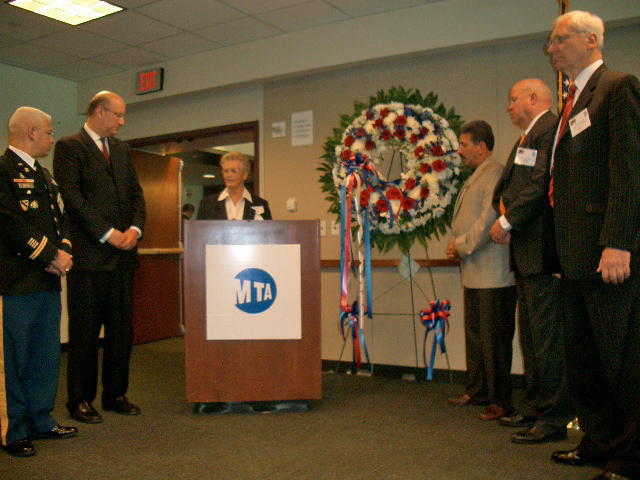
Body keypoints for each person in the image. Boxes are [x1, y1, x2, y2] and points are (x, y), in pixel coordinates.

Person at [545, 11, 640, 480]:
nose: (552, 48)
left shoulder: (618, 87)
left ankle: (630, 455)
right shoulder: (572, 100)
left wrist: (618, 242)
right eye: (551, 41)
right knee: (583, 359)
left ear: (591, 39)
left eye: (560, 39)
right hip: (574, 254)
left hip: (607, 254)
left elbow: (629, 171)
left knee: (621, 360)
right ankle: (599, 441)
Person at [53, 91, 146, 424]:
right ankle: (79, 400)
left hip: (123, 259)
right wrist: (108, 233)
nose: (122, 122)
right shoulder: (69, 147)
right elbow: (73, 197)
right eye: (118, 115)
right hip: (91, 259)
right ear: (99, 111)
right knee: (85, 334)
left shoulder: (121, 149)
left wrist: (135, 229)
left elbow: (136, 193)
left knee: (121, 332)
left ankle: (115, 394)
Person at [489, 79, 572, 444]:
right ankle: (537, 407)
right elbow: (506, 189)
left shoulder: (549, 129)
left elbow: (541, 185)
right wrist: (505, 215)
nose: (508, 107)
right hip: (524, 251)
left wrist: (508, 221)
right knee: (531, 338)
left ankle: (554, 418)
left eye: (512, 99)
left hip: (541, 252)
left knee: (546, 341)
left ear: (534, 98)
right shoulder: (526, 136)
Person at [0, 107, 77, 457]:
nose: (50, 137)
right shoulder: (2, 171)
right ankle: (14, 430)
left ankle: (40, 420)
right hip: (17, 284)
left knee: (45, 357)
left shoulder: (44, 176)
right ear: (31, 132)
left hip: (48, 282)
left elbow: (62, 221)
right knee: (15, 360)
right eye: (47, 132)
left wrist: (63, 249)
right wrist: (50, 256)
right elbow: (10, 225)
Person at [446, 120, 517, 421]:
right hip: (476, 271)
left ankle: (500, 400)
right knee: (476, 336)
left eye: (464, 144)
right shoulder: (477, 175)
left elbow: (490, 219)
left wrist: (461, 245)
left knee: (494, 340)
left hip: (494, 273)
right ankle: (477, 391)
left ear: (481, 146)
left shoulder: (495, 173)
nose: (459, 150)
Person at [197, 151, 272, 220]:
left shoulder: (260, 204)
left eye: (234, 171)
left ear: (245, 175)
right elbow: (199, 232)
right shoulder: (208, 204)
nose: (229, 175)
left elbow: (268, 233)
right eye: (226, 171)